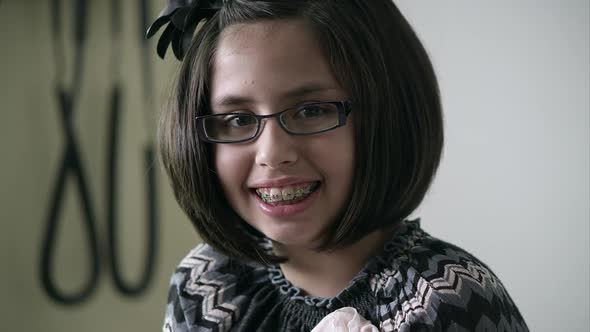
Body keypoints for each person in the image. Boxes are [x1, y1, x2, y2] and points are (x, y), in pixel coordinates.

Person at [147, 0, 529, 331]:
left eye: (311, 110)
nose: (272, 152)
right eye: (239, 119)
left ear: (385, 114)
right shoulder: (205, 284)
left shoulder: (449, 299)